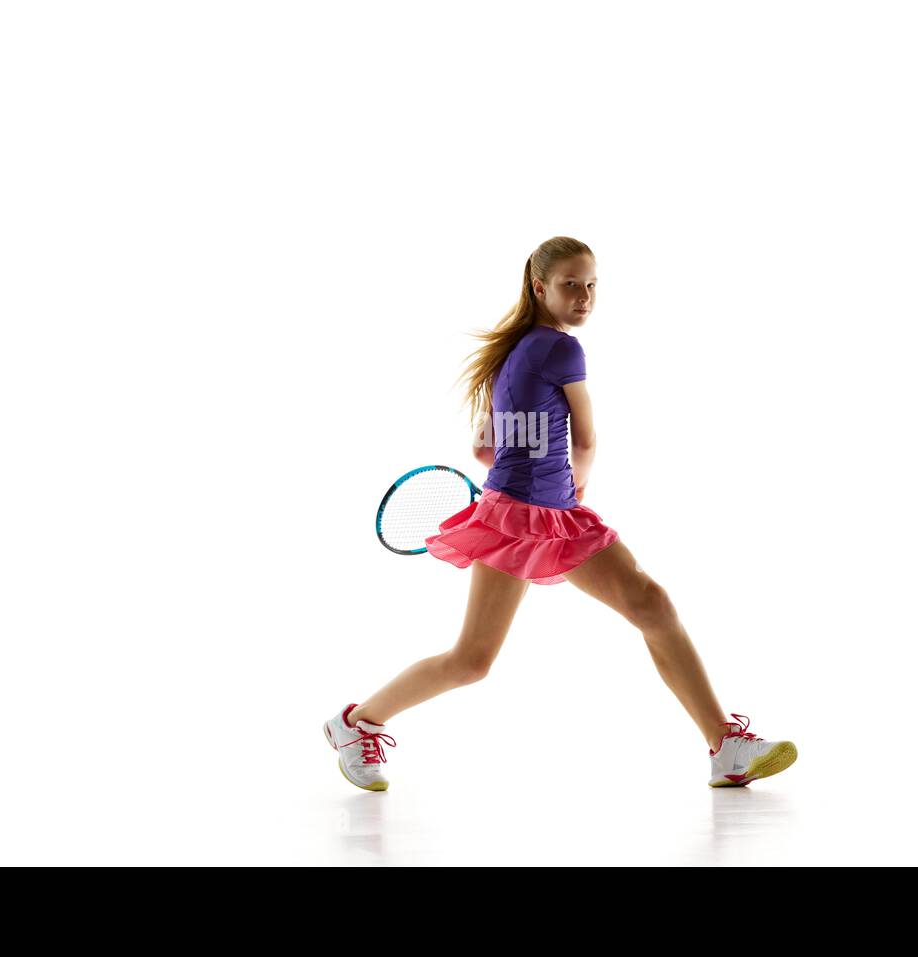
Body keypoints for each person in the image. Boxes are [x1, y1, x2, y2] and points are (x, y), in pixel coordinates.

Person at [323, 237, 797, 791]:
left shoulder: (516, 349)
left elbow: (487, 448)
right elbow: (587, 438)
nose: (584, 296)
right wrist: (580, 477)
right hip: (528, 518)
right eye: (571, 284)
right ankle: (356, 725)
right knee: (474, 660)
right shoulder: (560, 349)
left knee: (650, 605)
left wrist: (537, 474)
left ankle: (726, 746)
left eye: (592, 285)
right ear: (539, 286)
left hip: (539, 515)